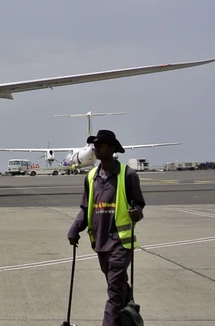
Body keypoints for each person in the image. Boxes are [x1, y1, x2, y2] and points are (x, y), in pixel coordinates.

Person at [67, 129, 145, 326]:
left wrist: (137, 212)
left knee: (114, 292)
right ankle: (131, 318)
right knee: (118, 289)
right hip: (100, 243)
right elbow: (86, 208)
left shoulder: (128, 175)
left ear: (111, 148)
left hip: (120, 243)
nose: (96, 149)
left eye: (100, 145)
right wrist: (75, 228)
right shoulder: (91, 176)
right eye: (95, 146)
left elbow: (139, 204)